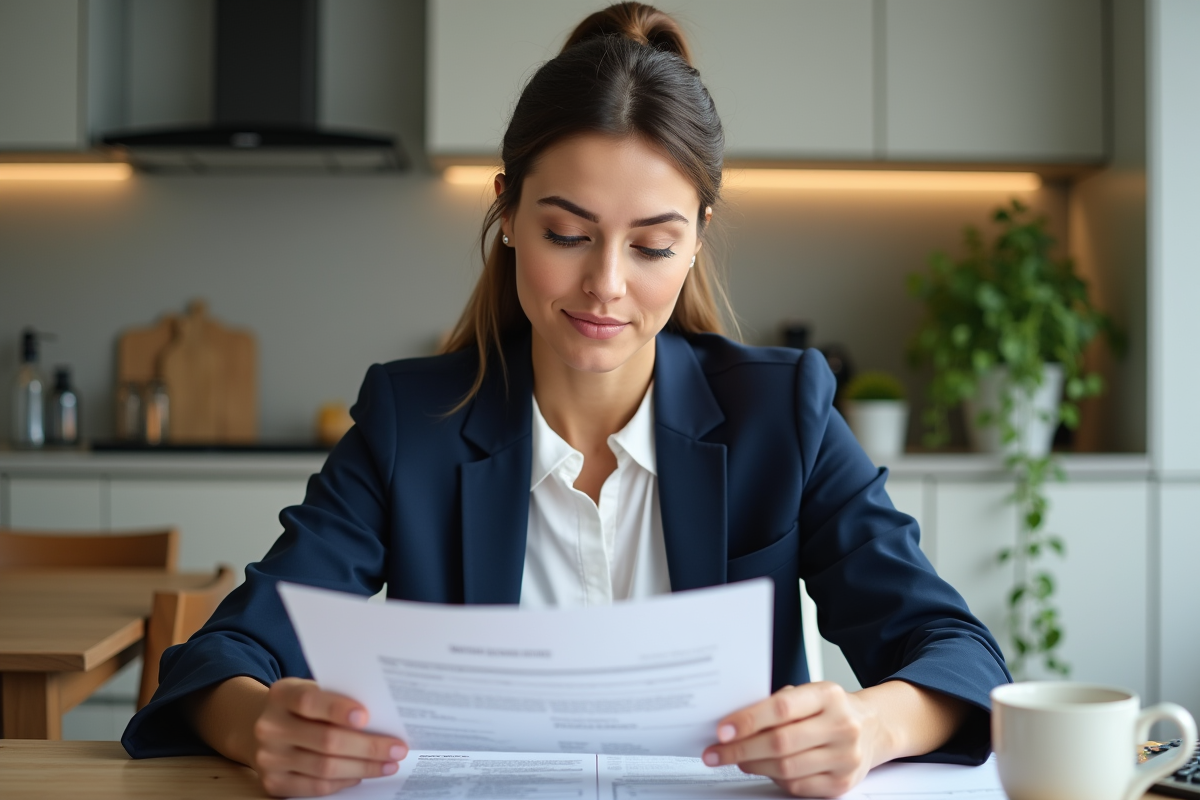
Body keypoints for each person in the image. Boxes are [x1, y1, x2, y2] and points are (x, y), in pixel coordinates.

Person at [122, 3, 1011, 797]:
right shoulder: (413, 425)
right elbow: (221, 659)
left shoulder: (783, 414)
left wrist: (870, 726)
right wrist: (259, 727)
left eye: (652, 246)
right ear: (507, 213)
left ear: (699, 237)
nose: (605, 286)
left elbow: (955, 651)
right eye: (567, 233)